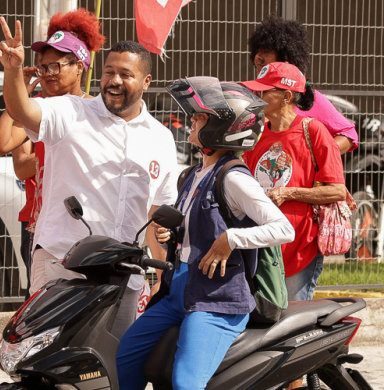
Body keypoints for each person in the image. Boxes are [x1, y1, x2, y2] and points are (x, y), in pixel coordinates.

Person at [0, 18, 178, 339]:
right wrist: (13, 71)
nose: (115, 80)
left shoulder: (161, 139)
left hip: (125, 274)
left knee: (113, 368)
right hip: (60, 263)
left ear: (147, 81)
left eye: (126, 74)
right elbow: (22, 111)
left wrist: (162, 276)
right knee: (45, 358)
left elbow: (155, 214)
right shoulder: (69, 111)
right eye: (109, 72)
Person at [115, 77, 294, 390]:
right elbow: (196, 227)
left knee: (185, 383)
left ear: (221, 127)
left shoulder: (234, 178)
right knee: (124, 360)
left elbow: (283, 228)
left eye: (198, 118)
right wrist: (175, 235)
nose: (190, 123)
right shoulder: (192, 174)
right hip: (178, 290)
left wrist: (232, 239)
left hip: (216, 299)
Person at [0, 8, 105, 297]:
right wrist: (21, 95)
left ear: (80, 66)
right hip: (41, 227)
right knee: (41, 310)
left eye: (56, 66)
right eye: (43, 67)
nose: (48, 73)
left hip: (88, 226)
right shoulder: (35, 108)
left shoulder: (98, 111)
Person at [240, 62, 346, 302]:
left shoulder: (314, 131)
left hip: (300, 247)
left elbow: (338, 191)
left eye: (263, 91)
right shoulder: (256, 136)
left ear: (286, 96)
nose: (257, 96)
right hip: (263, 246)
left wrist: (289, 193)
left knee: (293, 322)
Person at [247, 14, 357, 154]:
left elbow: (348, 134)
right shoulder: (249, 92)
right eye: (257, 52)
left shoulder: (306, 97)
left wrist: (316, 156)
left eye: (266, 52)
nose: (258, 57)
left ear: (285, 56)